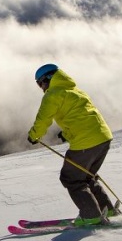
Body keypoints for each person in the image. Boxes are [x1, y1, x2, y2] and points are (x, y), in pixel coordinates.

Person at [27, 64, 114, 226]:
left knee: (71, 178)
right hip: (104, 138)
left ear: (49, 78)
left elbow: (43, 120)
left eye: (40, 83)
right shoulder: (75, 90)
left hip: (86, 141)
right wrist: (66, 133)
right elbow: (82, 116)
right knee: (86, 176)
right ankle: (107, 209)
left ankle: (91, 216)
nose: (41, 87)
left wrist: (33, 135)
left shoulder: (52, 95)